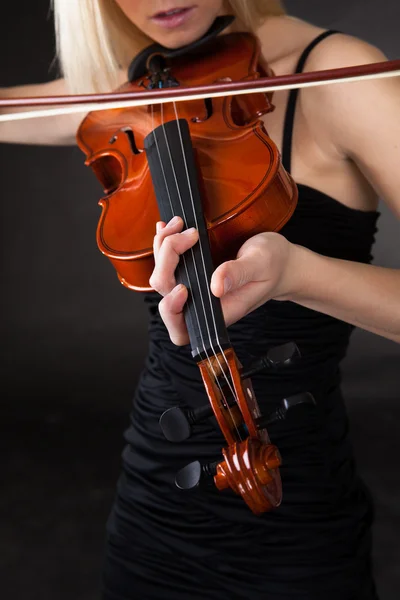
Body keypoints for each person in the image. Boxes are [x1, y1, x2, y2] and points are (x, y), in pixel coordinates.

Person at [1, 1, 400, 598]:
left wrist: (297, 274)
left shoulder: (341, 75)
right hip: (155, 493)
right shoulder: (148, 86)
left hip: (294, 509)